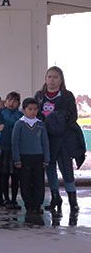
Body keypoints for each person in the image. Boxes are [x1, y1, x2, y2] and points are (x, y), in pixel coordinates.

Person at [34, 66, 86, 216]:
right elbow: (34, 114)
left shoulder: (67, 95)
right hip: (47, 139)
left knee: (67, 170)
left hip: (63, 139)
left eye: (55, 77)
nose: (52, 80)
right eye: (49, 77)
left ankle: (73, 200)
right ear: (45, 79)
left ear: (61, 80)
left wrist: (57, 120)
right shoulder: (39, 96)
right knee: (49, 168)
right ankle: (55, 198)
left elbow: (73, 116)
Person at [12, 98, 50, 216]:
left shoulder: (40, 124)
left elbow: (45, 142)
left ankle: (37, 204)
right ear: (24, 110)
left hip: (38, 157)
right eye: (30, 109)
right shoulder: (19, 124)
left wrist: (46, 158)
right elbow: (15, 142)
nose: (33, 111)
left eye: (35, 109)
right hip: (24, 158)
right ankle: (29, 205)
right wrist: (16, 158)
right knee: (25, 182)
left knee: (39, 182)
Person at [0, 92, 23, 210]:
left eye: (15, 101)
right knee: (3, 176)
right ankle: (4, 198)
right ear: (5, 101)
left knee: (16, 176)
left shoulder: (20, 115)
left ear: (18, 103)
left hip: (16, 150)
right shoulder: (0, 113)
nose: (12, 103)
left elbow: (17, 125)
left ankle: (13, 199)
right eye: (10, 100)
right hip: (2, 148)